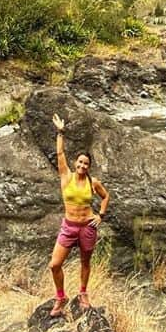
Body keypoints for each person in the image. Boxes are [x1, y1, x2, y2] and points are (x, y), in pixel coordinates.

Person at [49, 112, 109, 316]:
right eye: (80, 162)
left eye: (86, 164)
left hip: (87, 227)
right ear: (76, 163)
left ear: (89, 167)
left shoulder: (94, 183)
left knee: (85, 262)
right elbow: (59, 155)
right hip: (69, 227)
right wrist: (60, 133)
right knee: (55, 264)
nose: (82, 166)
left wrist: (100, 215)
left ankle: (83, 293)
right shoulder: (66, 177)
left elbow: (106, 197)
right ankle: (61, 297)